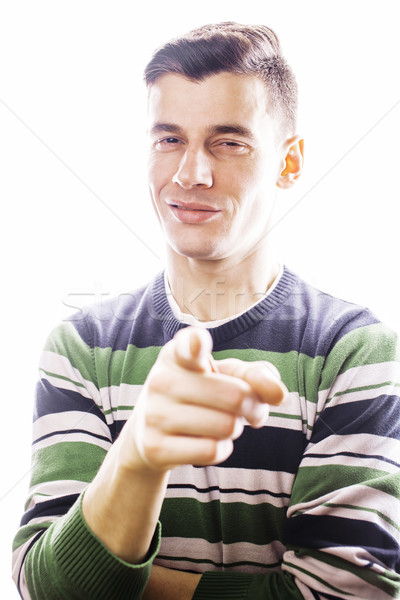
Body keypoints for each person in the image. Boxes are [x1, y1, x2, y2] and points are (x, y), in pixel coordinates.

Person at [12, 21, 400, 600]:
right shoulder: (80, 349)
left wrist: (130, 585)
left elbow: (352, 592)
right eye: (169, 139)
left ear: (288, 163)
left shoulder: (355, 350)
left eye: (229, 142)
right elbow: (47, 587)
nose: (189, 173)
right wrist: (138, 455)